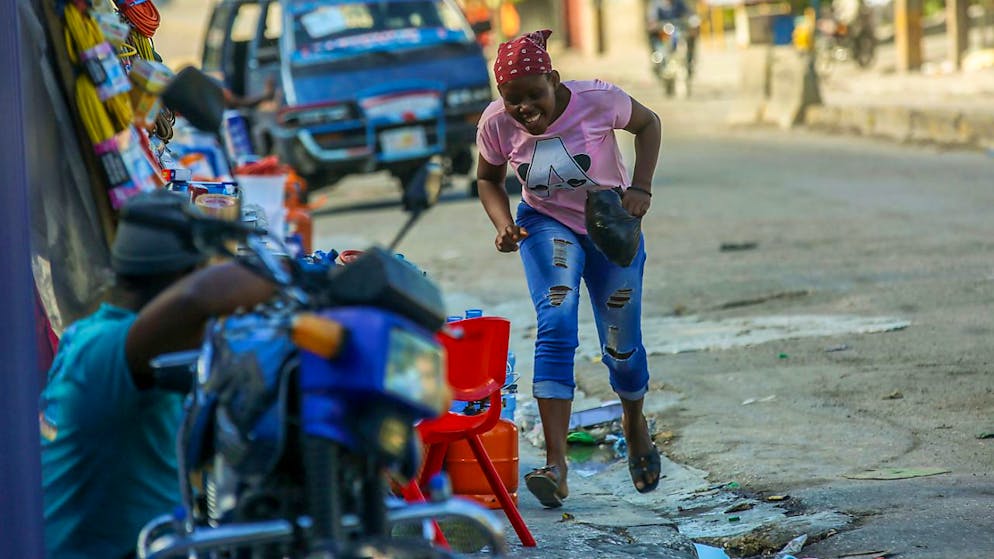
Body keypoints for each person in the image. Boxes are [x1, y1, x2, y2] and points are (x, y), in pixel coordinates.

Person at [474, 29, 663, 508]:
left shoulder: (598, 100)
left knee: (621, 344)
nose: (524, 109)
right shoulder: (496, 123)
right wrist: (502, 224)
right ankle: (556, 466)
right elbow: (487, 179)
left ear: (554, 80)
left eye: (534, 95)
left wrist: (640, 187)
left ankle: (634, 423)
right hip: (543, 224)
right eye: (512, 100)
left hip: (609, 224)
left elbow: (649, 123)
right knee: (555, 320)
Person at [40, 191, 275, 559]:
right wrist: (297, 274)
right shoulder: (108, 351)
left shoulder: (88, 334)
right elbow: (196, 299)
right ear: (182, 277)